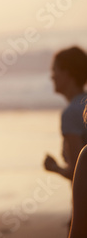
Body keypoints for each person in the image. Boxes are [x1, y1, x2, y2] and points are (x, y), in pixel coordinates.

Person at [44, 46, 87, 181]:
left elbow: (78, 173)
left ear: (67, 73)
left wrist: (54, 167)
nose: (52, 76)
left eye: (54, 70)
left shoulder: (71, 113)